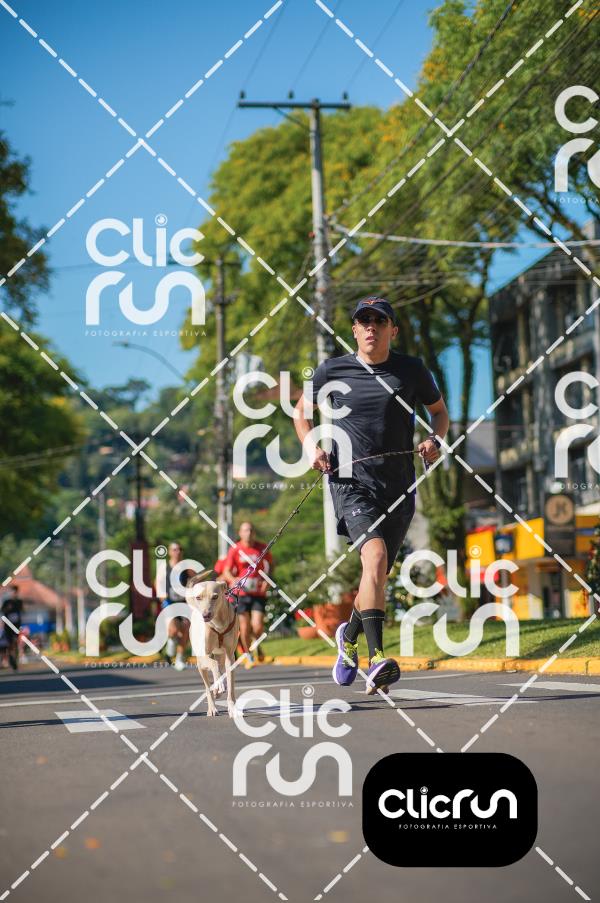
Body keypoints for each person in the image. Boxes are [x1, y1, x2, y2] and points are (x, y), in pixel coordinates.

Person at [294, 297, 449, 694]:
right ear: (354, 329)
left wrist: (434, 440)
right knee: (375, 558)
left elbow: (439, 412)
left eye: (380, 320)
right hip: (351, 483)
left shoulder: (411, 370)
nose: (371, 326)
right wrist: (313, 449)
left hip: (399, 486)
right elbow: (300, 412)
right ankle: (377, 659)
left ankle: (348, 637)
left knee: (376, 574)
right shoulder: (333, 370)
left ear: (392, 330)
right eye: (363, 320)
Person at [223, 522, 273, 669]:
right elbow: (226, 571)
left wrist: (267, 580)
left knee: (257, 626)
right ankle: (249, 654)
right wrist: (233, 580)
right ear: (240, 533)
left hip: (257, 592)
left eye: (251, 530)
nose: (249, 533)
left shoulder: (262, 548)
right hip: (241, 593)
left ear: (254, 533)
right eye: (245, 530)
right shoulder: (235, 549)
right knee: (244, 627)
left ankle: (256, 643)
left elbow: (270, 565)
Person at [158, 542, 195, 671]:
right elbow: (158, 584)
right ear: (169, 552)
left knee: (185, 629)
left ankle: (179, 658)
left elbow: (195, 580)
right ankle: (170, 645)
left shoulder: (186, 568)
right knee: (173, 630)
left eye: (179, 549)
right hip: (169, 603)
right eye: (174, 549)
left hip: (184, 603)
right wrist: (163, 600)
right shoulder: (164, 567)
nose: (177, 552)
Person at [1, 585, 24, 671]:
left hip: (16, 626)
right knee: (10, 644)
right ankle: (11, 658)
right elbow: (2, 611)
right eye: (12, 592)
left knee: (15, 643)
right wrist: (7, 609)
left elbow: (22, 611)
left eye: (15, 592)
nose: (14, 593)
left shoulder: (19, 602)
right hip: (8, 627)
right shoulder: (7, 602)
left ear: (17, 592)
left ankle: (15, 660)